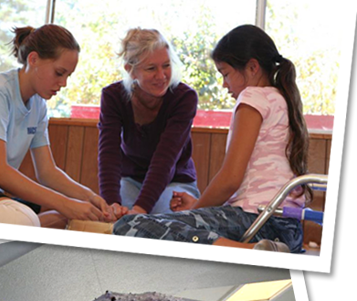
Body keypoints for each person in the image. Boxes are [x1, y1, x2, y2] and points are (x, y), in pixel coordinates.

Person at [114, 24, 312, 253]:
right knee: (172, 225)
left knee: (128, 225)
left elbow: (230, 179)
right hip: (288, 230)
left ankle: (251, 252)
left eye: (225, 74)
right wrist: (198, 209)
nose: (224, 84)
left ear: (253, 67)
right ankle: (257, 249)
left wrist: (197, 209)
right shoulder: (281, 99)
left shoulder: (253, 97)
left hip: (256, 221)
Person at [0, 24, 119, 227]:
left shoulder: (39, 105)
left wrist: (89, 197)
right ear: (33, 59)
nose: (64, 83)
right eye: (59, 73)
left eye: (68, 76)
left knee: (63, 218)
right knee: (26, 218)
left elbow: (47, 172)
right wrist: (65, 202)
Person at [98, 28, 201, 216]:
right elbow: (109, 155)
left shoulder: (184, 98)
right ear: (131, 70)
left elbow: (166, 159)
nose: (161, 75)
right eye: (151, 68)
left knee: (166, 221)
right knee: (119, 220)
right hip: (131, 179)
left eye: (166, 65)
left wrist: (140, 209)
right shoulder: (113, 96)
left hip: (175, 180)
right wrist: (112, 204)